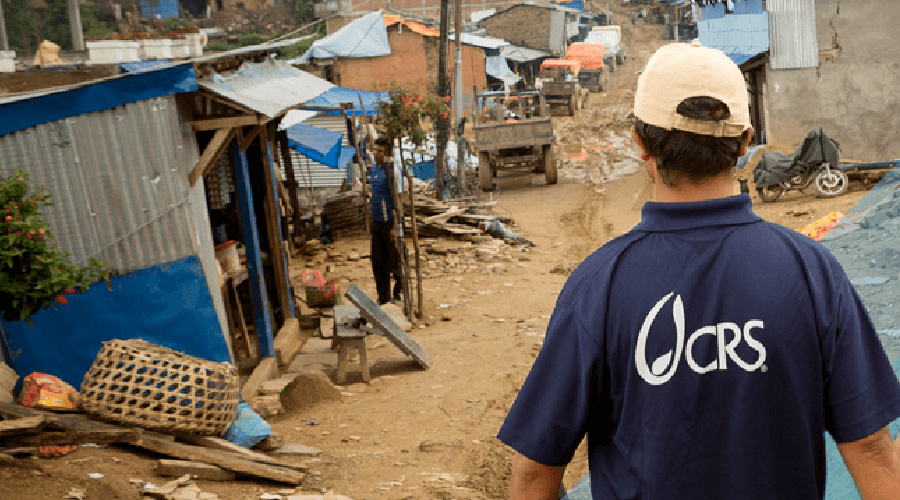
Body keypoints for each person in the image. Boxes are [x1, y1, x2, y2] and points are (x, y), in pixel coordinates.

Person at [498, 41, 900, 500]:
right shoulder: (812, 272)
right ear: (746, 141)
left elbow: (533, 474)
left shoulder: (598, 285)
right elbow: (870, 447)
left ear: (641, 144)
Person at [369, 137, 403, 305]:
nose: (377, 154)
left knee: (393, 261)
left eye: (380, 151)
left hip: (389, 222)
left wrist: (395, 227)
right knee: (377, 261)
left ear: (387, 153)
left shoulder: (392, 171)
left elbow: (399, 199)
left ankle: (398, 293)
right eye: (375, 150)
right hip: (376, 221)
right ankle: (383, 298)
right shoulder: (374, 168)